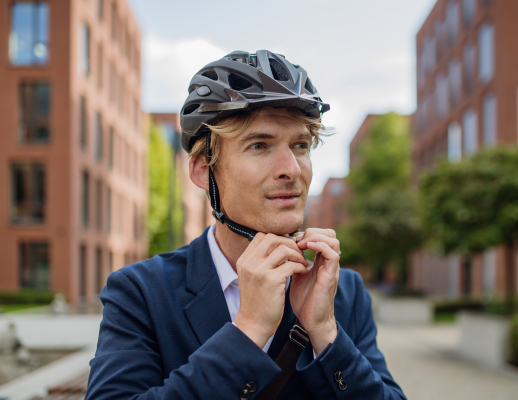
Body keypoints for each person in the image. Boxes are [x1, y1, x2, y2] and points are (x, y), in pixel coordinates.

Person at [86, 50, 406, 400]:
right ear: (203, 170)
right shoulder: (141, 293)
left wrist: (327, 334)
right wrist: (247, 331)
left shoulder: (343, 291)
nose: (292, 168)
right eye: (260, 145)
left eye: (300, 145)